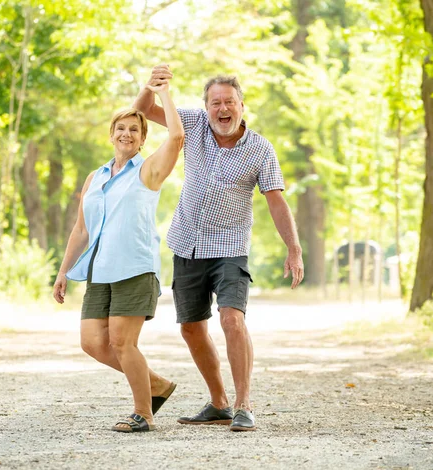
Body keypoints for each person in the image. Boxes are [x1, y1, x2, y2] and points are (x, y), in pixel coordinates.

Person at [133, 65, 304, 432]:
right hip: (187, 243)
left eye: (229, 101)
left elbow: (276, 201)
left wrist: (294, 249)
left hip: (230, 245)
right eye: (215, 102)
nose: (222, 109)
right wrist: (152, 86)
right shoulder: (192, 124)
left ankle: (244, 403)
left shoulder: (260, 148)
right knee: (191, 328)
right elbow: (144, 112)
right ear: (205, 106)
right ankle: (219, 402)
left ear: (242, 105)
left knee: (231, 319)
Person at [53, 82, 184, 433]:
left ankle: (144, 412)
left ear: (142, 139)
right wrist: (64, 271)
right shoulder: (95, 177)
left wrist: (163, 93)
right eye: (121, 128)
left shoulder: (148, 171)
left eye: (135, 130)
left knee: (123, 342)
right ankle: (155, 384)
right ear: (111, 135)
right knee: (93, 342)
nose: (127, 134)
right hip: (99, 270)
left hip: (134, 269)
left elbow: (175, 138)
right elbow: (81, 229)